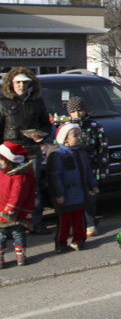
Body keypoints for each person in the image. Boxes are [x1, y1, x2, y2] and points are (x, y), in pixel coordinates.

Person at [0, 68, 53, 234]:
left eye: (25, 82)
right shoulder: (3, 103)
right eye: (18, 82)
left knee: (33, 188)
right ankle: (7, 226)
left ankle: (35, 222)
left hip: (32, 150)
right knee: (8, 189)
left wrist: (40, 135)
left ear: (30, 84)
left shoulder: (38, 102)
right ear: (11, 84)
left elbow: (46, 124)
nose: (21, 85)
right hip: (9, 153)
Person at [46, 123, 98, 252]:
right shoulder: (57, 154)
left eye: (79, 134)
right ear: (65, 139)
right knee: (63, 222)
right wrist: (58, 194)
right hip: (65, 196)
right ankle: (61, 243)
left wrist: (93, 185)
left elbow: (88, 172)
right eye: (75, 135)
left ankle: (78, 240)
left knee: (79, 220)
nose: (79, 137)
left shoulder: (82, 154)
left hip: (79, 194)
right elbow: (54, 177)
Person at [65, 97, 108, 237]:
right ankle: (76, 224)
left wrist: (102, 170)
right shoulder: (66, 127)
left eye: (80, 110)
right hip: (72, 169)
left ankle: (90, 223)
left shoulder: (94, 126)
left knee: (90, 196)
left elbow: (103, 149)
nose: (77, 114)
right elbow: (58, 147)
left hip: (91, 167)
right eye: (73, 111)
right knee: (74, 197)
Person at [0, 141, 36, 267]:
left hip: (15, 213)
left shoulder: (20, 177)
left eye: (2, 160)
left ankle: (20, 255)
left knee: (18, 234)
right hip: (2, 210)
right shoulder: (3, 173)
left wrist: (10, 210)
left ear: (10, 160)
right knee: (2, 236)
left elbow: (17, 196)